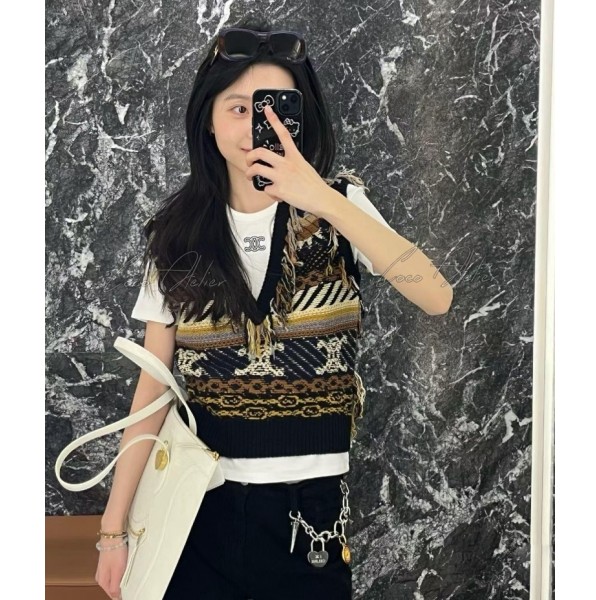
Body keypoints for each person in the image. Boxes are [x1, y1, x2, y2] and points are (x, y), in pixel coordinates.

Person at [95, 16, 453, 600]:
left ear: (299, 117)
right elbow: (153, 388)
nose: (255, 126)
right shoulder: (177, 236)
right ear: (208, 119)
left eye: (272, 109)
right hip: (195, 507)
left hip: (309, 517)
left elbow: (435, 295)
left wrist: (322, 199)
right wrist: (113, 530)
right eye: (238, 108)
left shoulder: (340, 207)